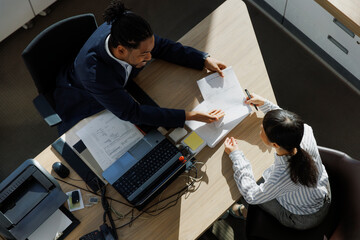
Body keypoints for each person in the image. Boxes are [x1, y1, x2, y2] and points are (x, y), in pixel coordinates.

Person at [54, 0, 226, 135]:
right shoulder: (95, 75)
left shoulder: (126, 26)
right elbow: (132, 113)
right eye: (144, 54)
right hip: (86, 103)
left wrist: (203, 59)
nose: (150, 57)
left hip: (122, 84)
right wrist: (189, 116)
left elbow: (162, 47)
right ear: (121, 50)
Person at [224, 94, 331, 230]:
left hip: (304, 217)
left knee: (250, 186)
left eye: (262, 129)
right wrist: (265, 104)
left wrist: (236, 155)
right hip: (323, 194)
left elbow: (252, 195)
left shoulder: (282, 176)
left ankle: (244, 212)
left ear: (274, 144)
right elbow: (288, 123)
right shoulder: (305, 131)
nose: (260, 127)